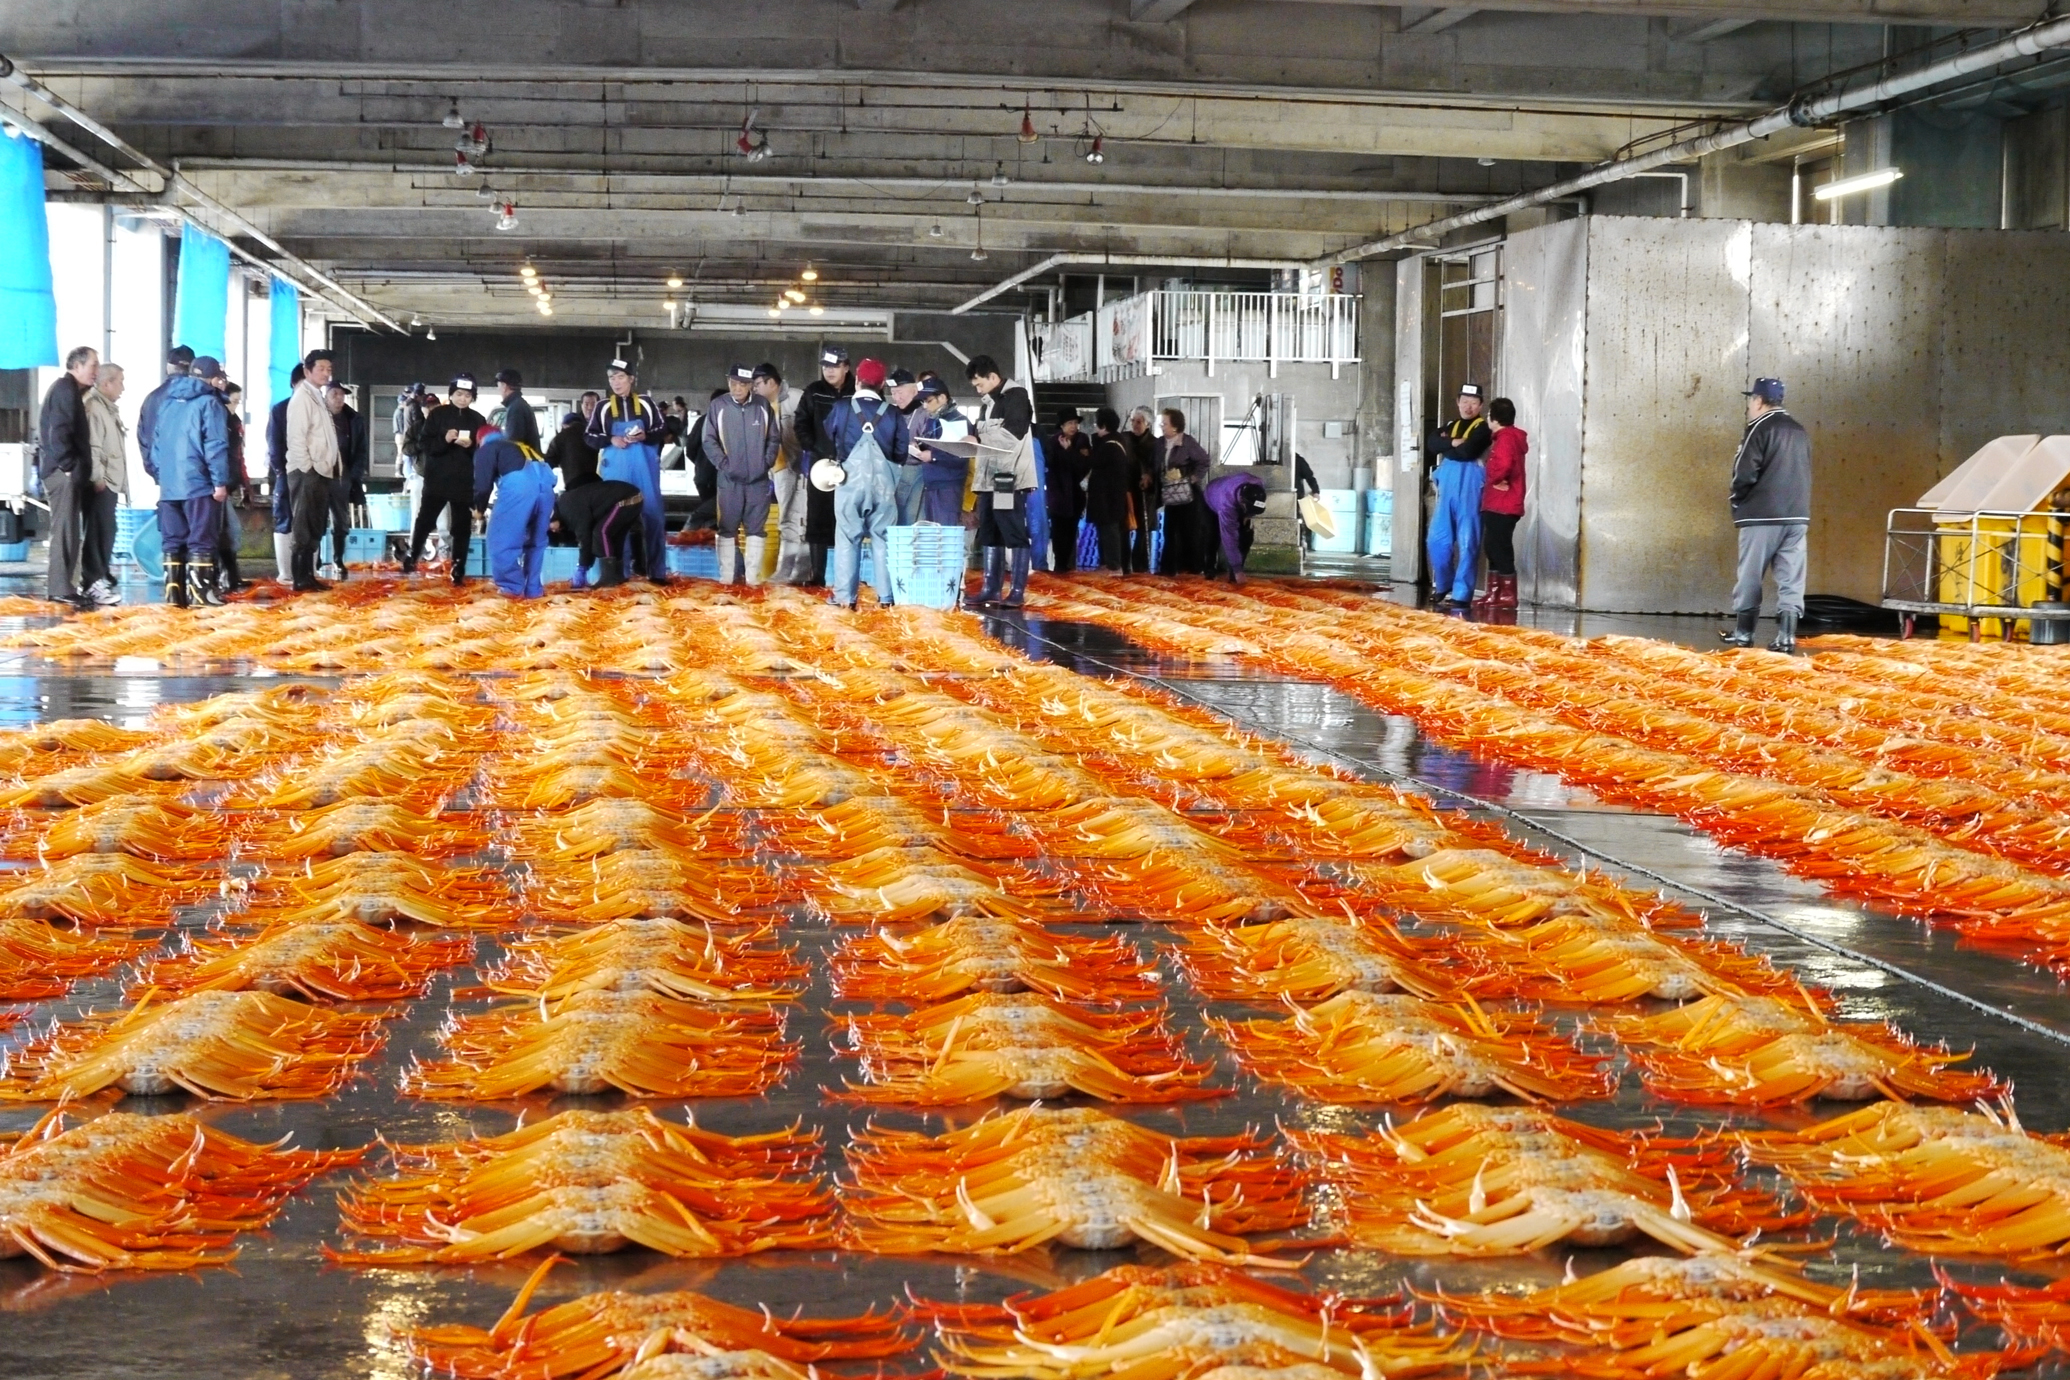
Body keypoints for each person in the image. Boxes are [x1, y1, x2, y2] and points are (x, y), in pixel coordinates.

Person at [1722, 376, 1811, 652]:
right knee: (1791, 577)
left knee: (1750, 574)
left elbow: (1744, 473)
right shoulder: (1799, 430)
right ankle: (1786, 637)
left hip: (1761, 515)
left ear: (1758, 401)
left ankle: (1744, 633)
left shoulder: (1758, 428)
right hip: (1797, 516)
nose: (1750, 404)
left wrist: (1737, 502)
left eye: (1751, 399)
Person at [145, 354, 233, 608]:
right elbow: (215, 445)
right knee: (201, 539)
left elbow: (156, 445)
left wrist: (163, 477)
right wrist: (219, 482)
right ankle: (201, 594)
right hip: (199, 485)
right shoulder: (210, 404)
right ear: (215, 379)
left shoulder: (168, 402)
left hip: (170, 486)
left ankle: (174, 595)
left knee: (173, 541)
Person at [822, 357, 909, 609]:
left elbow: (830, 434)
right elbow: (901, 452)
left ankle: (844, 598)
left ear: (857, 381)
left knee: (848, 538)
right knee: (883, 539)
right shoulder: (893, 413)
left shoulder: (841, 408)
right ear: (881, 384)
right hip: (884, 487)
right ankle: (886, 599)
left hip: (849, 482)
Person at [585, 358, 668, 581]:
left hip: (645, 469)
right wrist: (611, 439)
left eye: (620, 377)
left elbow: (663, 429)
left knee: (653, 518)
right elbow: (589, 436)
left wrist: (646, 436)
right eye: (612, 378)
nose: (616, 382)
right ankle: (617, 574)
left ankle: (657, 573)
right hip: (616, 472)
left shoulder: (647, 403)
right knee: (615, 520)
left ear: (631, 379)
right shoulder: (602, 407)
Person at [966, 354, 1038, 609]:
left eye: (979, 384)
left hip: (1008, 479)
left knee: (1012, 529)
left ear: (993, 377)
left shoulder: (1017, 397)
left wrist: (978, 441)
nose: (977, 390)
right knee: (989, 530)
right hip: (987, 479)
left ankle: (1017, 590)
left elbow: (1011, 435)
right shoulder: (987, 403)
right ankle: (990, 587)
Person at [406, 375, 487, 582]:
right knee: (425, 520)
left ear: (473, 398)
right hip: (437, 480)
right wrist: (445, 439)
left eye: (467, 395)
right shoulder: (437, 415)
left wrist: (471, 447)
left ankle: (458, 565)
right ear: (451, 395)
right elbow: (425, 445)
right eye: (458, 394)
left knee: (461, 525)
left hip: (464, 481)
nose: (462, 399)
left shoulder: (478, 419)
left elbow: (484, 452)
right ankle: (413, 556)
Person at [704, 364, 778, 586]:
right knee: (727, 527)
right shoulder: (718, 406)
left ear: (751, 386)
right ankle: (726, 578)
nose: (737, 388)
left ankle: (753, 580)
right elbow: (708, 441)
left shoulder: (763, 406)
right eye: (734, 383)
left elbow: (774, 438)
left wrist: (765, 463)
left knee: (756, 528)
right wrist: (725, 465)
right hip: (729, 480)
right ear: (728, 383)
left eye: (743, 384)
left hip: (758, 479)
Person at [37, 346, 97, 608]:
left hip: (67, 472)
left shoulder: (71, 390)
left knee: (70, 532)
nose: (96, 371)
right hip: (62, 474)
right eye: (93, 365)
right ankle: (60, 588)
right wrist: (69, 466)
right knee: (64, 531)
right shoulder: (64, 389)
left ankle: (65, 587)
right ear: (77, 366)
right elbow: (58, 431)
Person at [1425, 382, 1491, 609]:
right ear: (1457, 402)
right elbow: (1432, 443)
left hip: (1470, 489)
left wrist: (1448, 447)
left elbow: (1468, 451)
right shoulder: (1452, 425)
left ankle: (1462, 593)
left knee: (1467, 541)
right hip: (1447, 490)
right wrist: (1452, 442)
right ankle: (1443, 584)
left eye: (1473, 403)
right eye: (1464, 401)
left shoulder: (1483, 428)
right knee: (1436, 540)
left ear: (1481, 405)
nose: (1468, 407)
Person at [793, 346, 855, 586]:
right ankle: (816, 575)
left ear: (846, 367)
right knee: (817, 517)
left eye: (835, 366)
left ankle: (846, 578)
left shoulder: (859, 391)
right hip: (821, 467)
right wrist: (815, 448)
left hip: (852, 466)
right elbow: (801, 424)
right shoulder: (814, 392)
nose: (829, 371)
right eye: (826, 366)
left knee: (848, 519)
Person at [472, 423, 556, 598]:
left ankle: (511, 589)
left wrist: (479, 509)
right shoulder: (522, 447)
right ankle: (533, 590)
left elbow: (482, 485)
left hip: (519, 488)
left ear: (480, 440)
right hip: (547, 490)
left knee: (501, 540)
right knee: (536, 542)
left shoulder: (487, 448)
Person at [284, 350, 342, 593]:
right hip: (307, 470)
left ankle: (308, 575)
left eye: (329, 369)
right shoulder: (302, 397)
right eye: (321, 369)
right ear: (307, 371)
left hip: (321, 470)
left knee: (315, 524)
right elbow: (296, 437)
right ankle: (300, 578)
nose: (326, 373)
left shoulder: (317, 396)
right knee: (303, 525)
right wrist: (307, 468)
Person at [754, 364, 809, 582]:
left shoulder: (797, 399)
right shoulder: (759, 406)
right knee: (786, 519)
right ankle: (786, 569)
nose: (754, 389)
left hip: (803, 467)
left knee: (803, 519)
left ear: (771, 382)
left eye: (758, 384)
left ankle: (802, 569)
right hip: (779, 468)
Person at [79, 359, 128, 607]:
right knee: (99, 533)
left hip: (109, 481)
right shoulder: (95, 408)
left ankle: (97, 576)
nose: (123, 388)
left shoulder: (106, 407)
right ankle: (92, 582)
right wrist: (99, 478)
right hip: (102, 483)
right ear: (107, 383)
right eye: (120, 382)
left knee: (107, 531)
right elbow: (94, 446)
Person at [1479, 397, 1527, 610]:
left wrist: (1496, 479)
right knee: (1492, 546)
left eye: (1489, 415)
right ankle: (1495, 593)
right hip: (1501, 504)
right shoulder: (1508, 437)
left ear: (1494, 418)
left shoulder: (1505, 438)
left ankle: (1506, 595)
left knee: (1499, 548)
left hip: (1502, 504)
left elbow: (1504, 464)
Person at [554, 479, 644, 589]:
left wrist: (582, 566)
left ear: (552, 517)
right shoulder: (564, 507)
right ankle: (618, 575)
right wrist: (585, 564)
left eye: (549, 526)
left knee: (601, 532)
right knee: (616, 536)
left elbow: (585, 537)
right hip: (633, 496)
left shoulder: (568, 509)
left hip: (626, 499)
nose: (552, 530)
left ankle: (608, 578)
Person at [1155, 407, 1211, 576]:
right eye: (1161, 423)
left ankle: (1192, 567)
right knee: (1169, 529)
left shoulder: (1187, 442)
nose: (1162, 426)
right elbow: (1154, 463)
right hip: (1170, 492)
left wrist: (1192, 478)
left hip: (1188, 494)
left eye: (1165, 423)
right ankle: (1169, 567)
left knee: (1189, 530)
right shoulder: (1159, 443)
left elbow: (1204, 460)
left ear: (1175, 427)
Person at [909, 376, 970, 527]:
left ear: (942, 398)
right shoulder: (933, 421)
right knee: (933, 538)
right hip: (932, 485)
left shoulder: (958, 421)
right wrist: (920, 447)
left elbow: (961, 455)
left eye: (928, 401)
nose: (925, 406)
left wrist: (933, 456)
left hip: (948, 487)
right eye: (923, 402)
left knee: (946, 535)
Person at [323, 381, 367, 580]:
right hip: (319, 475)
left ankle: (337, 558)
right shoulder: (317, 415)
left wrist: (353, 475)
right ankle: (314, 558)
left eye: (341, 394)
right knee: (316, 518)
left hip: (342, 476)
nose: (338, 398)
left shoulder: (353, 419)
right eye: (334, 394)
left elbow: (361, 450)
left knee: (341, 521)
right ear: (325, 395)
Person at [135, 344, 194, 484]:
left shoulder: (152, 399)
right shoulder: (200, 398)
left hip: (163, 476)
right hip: (193, 479)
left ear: (168, 366)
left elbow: (143, 437)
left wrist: (155, 470)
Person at [266, 364, 303, 583]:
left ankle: (308, 571)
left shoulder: (319, 409)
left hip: (313, 474)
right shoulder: (281, 410)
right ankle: (286, 572)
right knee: (284, 520)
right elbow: (274, 445)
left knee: (310, 522)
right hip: (287, 474)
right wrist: (281, 471)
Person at [1044, 409, 1091, 574]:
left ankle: (1068, 564)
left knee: (1071, 530)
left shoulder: (1082, 440)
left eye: (1075, 423)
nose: (1073, 426)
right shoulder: (1052, 443)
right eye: (1070, 423)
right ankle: (1059, 563)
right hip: (1058, 495)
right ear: (1062, 426)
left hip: (1076, 495)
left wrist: (1070, 451)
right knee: (1058, 531)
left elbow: (1083, 466)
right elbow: (1051, 466)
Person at [1086, 409, 1133, 574]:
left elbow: (1093, 462)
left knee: (1109, 531)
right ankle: (1108, 564)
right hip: (1110, 497)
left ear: (1103, 424)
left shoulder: (1110, 446)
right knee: (1106, 530)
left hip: (1108, 498)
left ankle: (1113, 565)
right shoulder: (1116, 442)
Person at [214, 382, 249, 595]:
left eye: (238, 402)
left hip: (229, 483)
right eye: (233, 402)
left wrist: (245, 484)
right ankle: (227, 575)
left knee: (229, 531)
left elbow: (239, 456)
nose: (235, 406)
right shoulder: (218, 421)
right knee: (229, 531)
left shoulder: (234, 423)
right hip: (218, 485)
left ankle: (230, 574)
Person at [1203, 471, 1269, 585]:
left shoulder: (1258, 485)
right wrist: (1237, 569)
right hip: (1211, 497)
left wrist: (1249, 515)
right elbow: (1230, 538)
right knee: (1213, 535)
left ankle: (1233, 575)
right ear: (1243, 503)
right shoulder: (1226, 505)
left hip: (1231, 491)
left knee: (1246, 536)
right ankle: (1210, 570)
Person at [885, 367, 928, 524]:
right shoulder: (890, 413)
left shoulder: (925, 414)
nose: (897, 397)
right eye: (893, 392)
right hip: (893, 474)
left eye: (900, 392)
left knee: (912, 519)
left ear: (914, 390)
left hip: (917, 472)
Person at [1125, 407, 1158, 574]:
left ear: (1148, 424)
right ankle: (1125, 564)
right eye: (1133, 421)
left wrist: (1149, 476)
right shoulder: (1125, 439)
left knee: (1143, 530)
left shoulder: (1154, 443)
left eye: (1139, 422)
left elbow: (1157, 466)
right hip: (1127, 490)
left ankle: (1141, 565)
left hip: (1145, 492)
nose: (1135, 425)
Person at [545, 397, 600, 491]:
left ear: (564, 425)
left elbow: (549, 462)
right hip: (596, 481)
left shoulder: (561, 437)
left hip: (573, 482)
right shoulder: (593, 434)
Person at [493, 368, 539, 451]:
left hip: (521, 462)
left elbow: (513, 442)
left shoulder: (515, 408)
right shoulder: (520, 404)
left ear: (504, 386)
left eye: (498, 386)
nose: (498, 389)